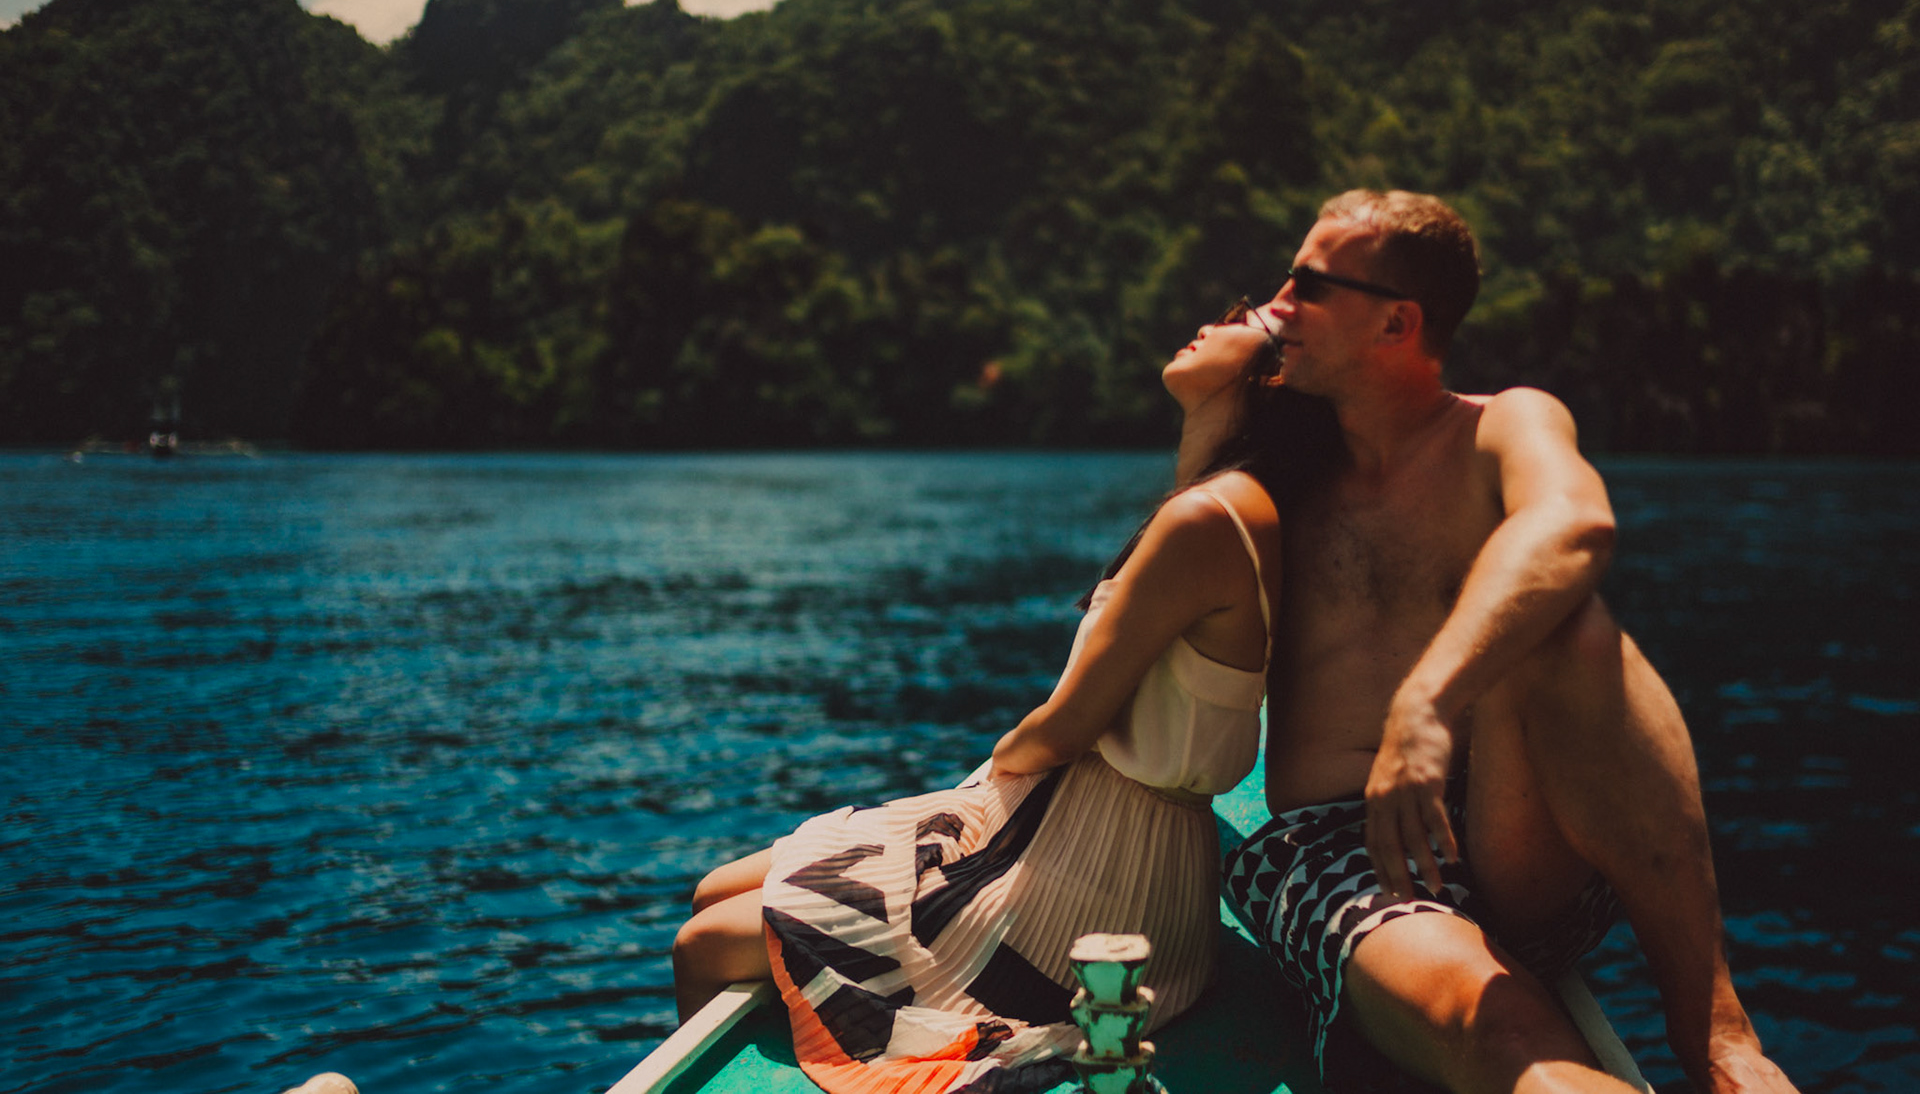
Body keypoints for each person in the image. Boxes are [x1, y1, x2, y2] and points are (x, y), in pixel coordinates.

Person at [673, 297, 1343, 1093]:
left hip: (1095, 877)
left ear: (1269, 378)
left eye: (1242, 318)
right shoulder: (1234, 502)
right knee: (713, 888)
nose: (1212, 317)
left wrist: (991, 779)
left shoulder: (1206, 518)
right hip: (1085, 839)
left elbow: (1063, 730)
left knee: (702, 942)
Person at [1224, 190, 1801, 1094]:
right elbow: (1174, 579)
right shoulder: (1286, 462)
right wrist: (1201, 404)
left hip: (1506, 832)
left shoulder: (1503, 424)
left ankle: (1720, 1037)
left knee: (1566, 622)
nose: (1278, 303)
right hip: (1340, 850)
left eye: (1307, 282)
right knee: (1507, 1039)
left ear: (1395, 323)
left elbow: (1575, 523)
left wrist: (1424, 704)